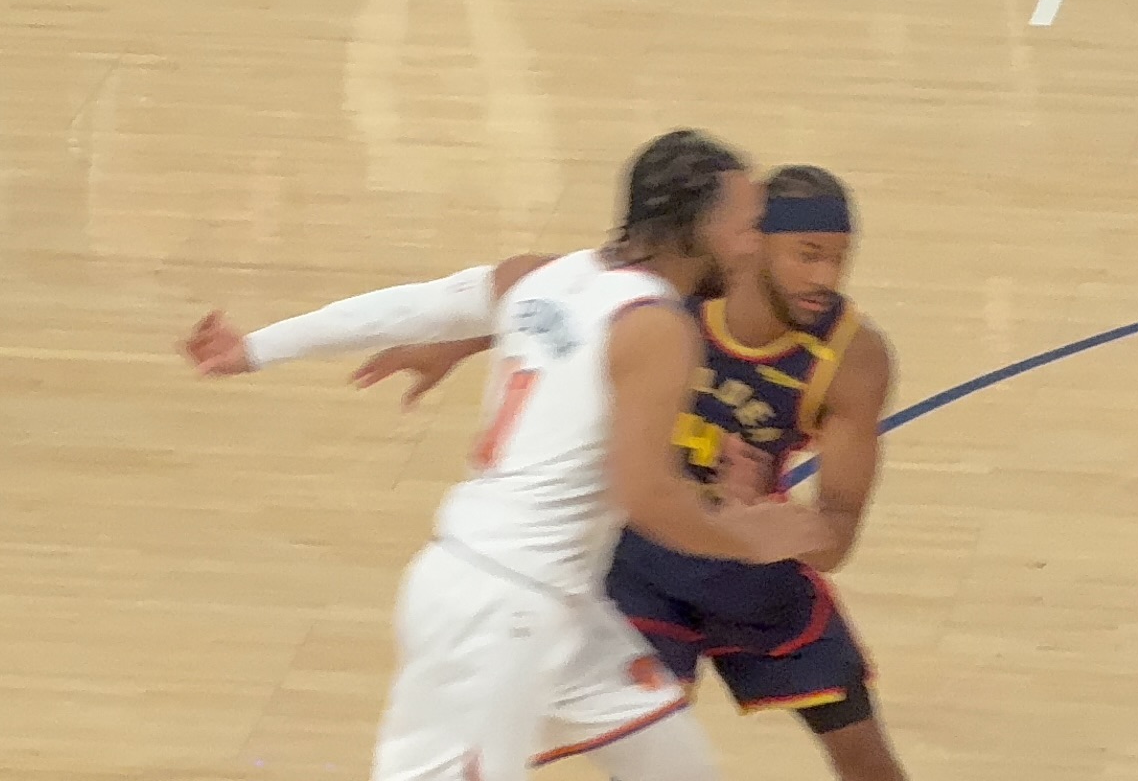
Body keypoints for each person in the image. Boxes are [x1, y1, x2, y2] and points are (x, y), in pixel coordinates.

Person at [181, 133, 826, 781]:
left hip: (553, 604)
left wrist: (257, 348)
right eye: (748, 227)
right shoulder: (657, 328)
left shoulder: (542, 277)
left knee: (677, 768)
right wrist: (748, 539)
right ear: (692, 229)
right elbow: (646, 495)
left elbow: (413, 307)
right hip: (502, 611)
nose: (756, 246)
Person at [358, 165, 911, 781]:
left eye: (839, 258)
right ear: (753, 245)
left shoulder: (853, 358)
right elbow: (556, 294)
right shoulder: (674, 294)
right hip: (647, 564)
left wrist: (773, 513)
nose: (826, 278)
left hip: (753, 572)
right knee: (644, 756)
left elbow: (836, 539)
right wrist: (452, 341)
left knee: (867, 760)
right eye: (808, 255)